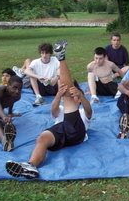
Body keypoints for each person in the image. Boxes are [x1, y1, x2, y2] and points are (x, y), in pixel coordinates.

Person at [6, 40, 93, 179]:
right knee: (42, 138)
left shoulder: (82, 112)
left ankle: (61, 56)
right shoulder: (61, 108)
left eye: (74, 96)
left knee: (68, 93)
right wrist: (58, 96)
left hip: (77, 133)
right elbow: (53, 111)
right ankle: (31, 166)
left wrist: (81, 97)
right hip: (60, 131)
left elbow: (89, 111)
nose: (72, 96)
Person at [0, 75, 22, 151]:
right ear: (8, 85)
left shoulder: (17, 96)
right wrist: (3, 116)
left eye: (20, 89)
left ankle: (6, 142)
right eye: (14, 87)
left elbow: (11, 102)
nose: (17, 91)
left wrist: (10, 113)